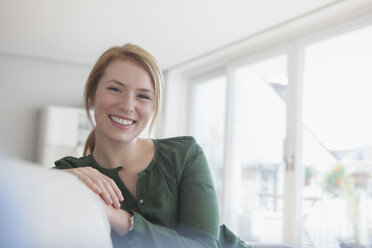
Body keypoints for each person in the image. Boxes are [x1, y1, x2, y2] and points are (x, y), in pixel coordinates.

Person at [54, 43, 251, 248]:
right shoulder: (71, 172)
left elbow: (205, 246)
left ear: (153, 105)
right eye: (115, 89)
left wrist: (124, 221)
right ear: (92, 94)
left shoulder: (184, 155)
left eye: (143, 96)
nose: (127, 106)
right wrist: (64, 178)